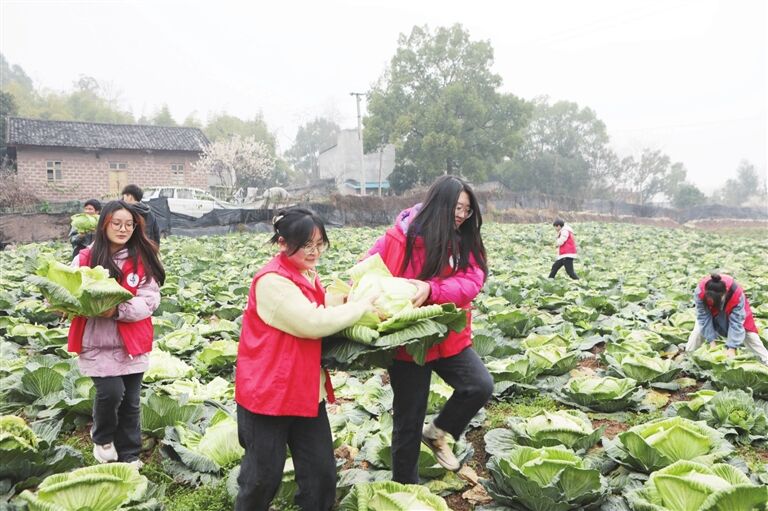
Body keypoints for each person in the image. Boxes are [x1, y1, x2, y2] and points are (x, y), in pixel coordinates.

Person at [234, 207, 377, 511]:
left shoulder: (306, 274)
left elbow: (320, 307)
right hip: (268, 395)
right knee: (262, 479)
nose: (315, 252)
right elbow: (312, 322)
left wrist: (350, 298)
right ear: (282, 243)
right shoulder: (271, 281)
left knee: (321, 474)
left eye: (319, 244)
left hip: (304, 390)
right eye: (306, 245)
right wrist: (359, 307)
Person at [364, 175, 494, 483]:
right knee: (408, 420)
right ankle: (405, 489)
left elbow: (471, 281)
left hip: (446, 336)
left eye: (467, 210)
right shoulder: (398, 237)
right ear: (439, 204)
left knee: (479, 385)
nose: (462, 215)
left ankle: (437, 432)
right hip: (407, 341)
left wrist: (431, 290)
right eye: (457, 208)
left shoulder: (463, 240)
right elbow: (366, 270)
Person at [67, 200, 165, 467]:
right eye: (117, 223)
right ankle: (102, 437)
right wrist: (63, 305)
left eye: (129, 225)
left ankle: (130, 453)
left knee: (131, 402)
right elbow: (66, 289)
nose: (123, 229)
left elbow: (150, 300)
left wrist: (116, 310)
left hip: (132, 341)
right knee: (110, 393)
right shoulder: (85, 259)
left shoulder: (141, 259)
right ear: (104, 225)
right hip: (97, 340)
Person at [686, 272, 768, 364]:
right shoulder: (700, 291)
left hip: (734, 311)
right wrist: (712, 342)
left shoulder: (736, 293)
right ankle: (689, 358)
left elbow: (737, 322)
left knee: (751, 336)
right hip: (711, 312)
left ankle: (766, 360)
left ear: (725, 293)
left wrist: (732, 347)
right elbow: (703, 317)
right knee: (698, 331)